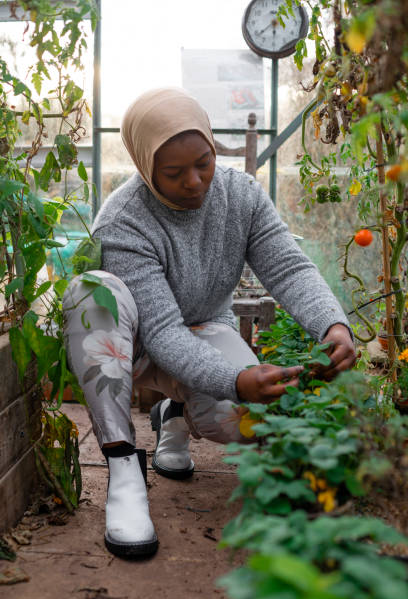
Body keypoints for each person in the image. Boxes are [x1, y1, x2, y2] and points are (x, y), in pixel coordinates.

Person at [63, 87, 356, 558]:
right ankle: (123, 470)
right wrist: (234, 378)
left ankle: (172, 412)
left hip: (202, 331)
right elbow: (160, 332)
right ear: (144, 166)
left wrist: (333, 326)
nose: (196, 181)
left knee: (239, 420)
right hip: (134, 349)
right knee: (90, 294)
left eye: (204, 161)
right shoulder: (124, 220)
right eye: (174, 172)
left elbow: (289, 268)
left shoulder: (241, 197)